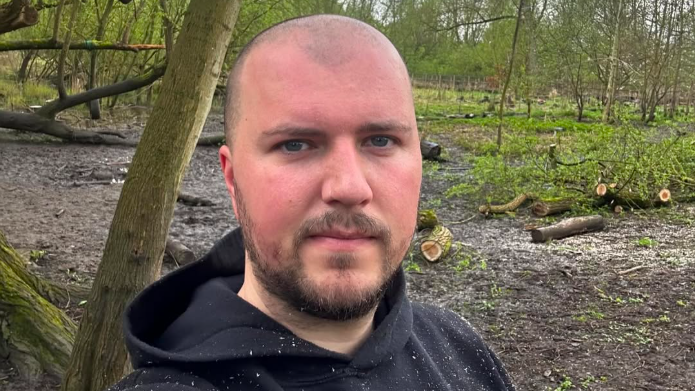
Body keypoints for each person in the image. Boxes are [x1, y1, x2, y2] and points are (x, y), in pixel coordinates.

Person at [108, 14, 515, 391]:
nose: (349, 187)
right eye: (296, 144)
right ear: (233, 178)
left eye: (380, 141)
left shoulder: (462, 353)